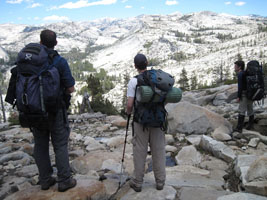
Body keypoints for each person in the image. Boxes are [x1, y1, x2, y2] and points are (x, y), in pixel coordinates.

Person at [126, 54, 166, 192]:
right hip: (158, 120)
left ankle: (137, 182)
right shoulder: (158, 78)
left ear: (135, 66)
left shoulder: (133, 81)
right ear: (147, 63)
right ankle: (160, 182)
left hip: (141, 121)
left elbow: (130, 104)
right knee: (159, 150)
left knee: (140, 150)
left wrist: (128, 113)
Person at [233, 60, 254, 134]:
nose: (234, 67)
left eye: (235, 66)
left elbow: (240, 86)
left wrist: (238, 96)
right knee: (250, 109)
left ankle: (239, 128)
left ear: (239, 67)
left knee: (241, 111)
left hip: (244, 94)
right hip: (251, 94)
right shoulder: (247, 73)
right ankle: (251, 125)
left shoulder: (240, 74)